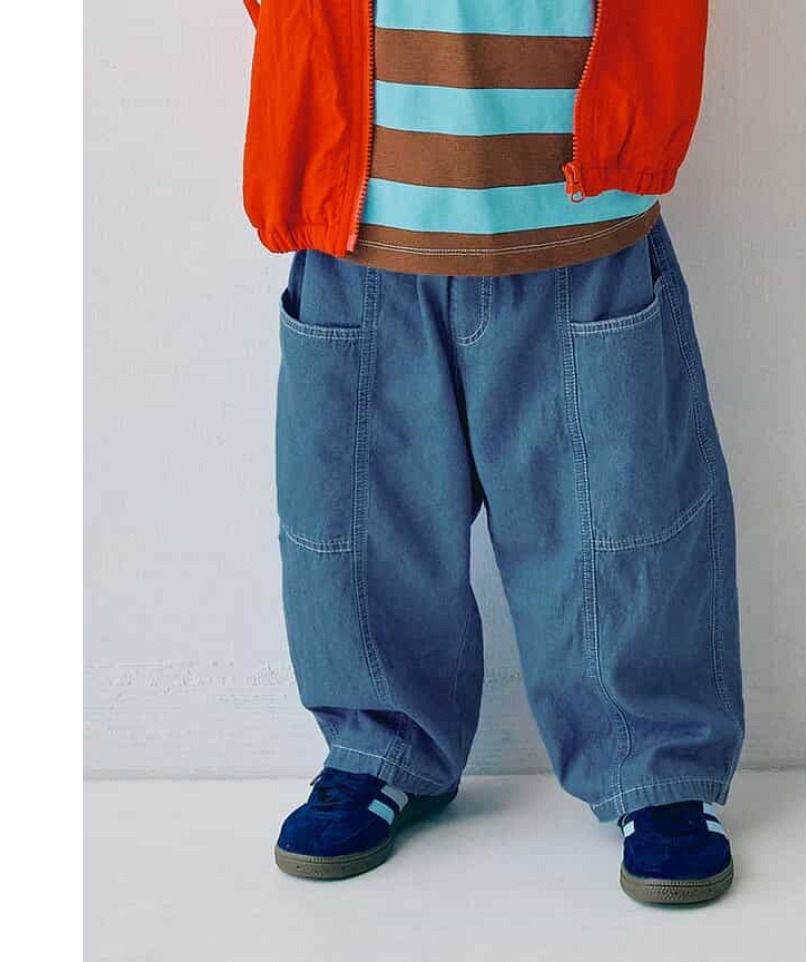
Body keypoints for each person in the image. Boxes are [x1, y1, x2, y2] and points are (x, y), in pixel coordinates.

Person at [241, 0, 744, 905]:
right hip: (364, 224)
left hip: (581, 222)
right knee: (359, 525)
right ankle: (378, 741)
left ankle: (657, 762)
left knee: (622, 520)